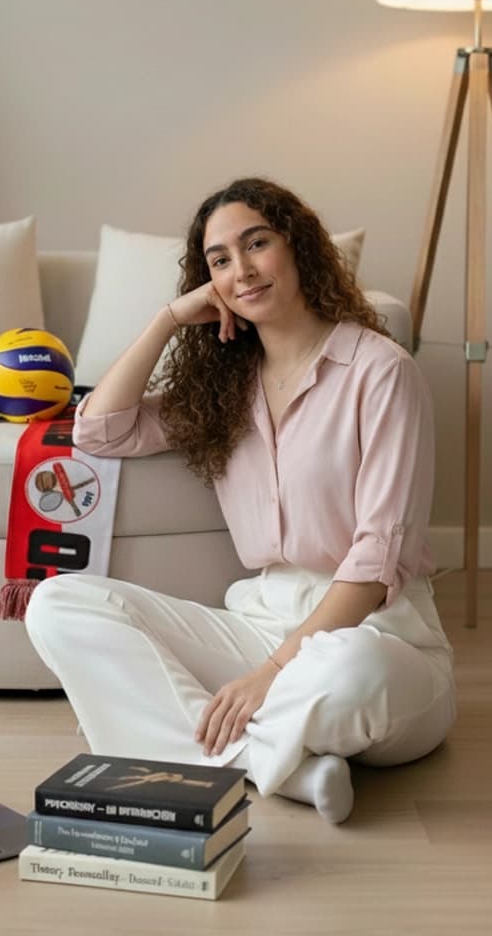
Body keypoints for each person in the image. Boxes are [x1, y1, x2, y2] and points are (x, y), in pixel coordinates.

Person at [24, 177, 456, 825]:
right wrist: (168, 318)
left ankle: (217, 747)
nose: (241, 270)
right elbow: (98, 430)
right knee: (58, 603)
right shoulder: (224, 391)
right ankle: (273, 767)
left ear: (299, 248)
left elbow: (375, 565)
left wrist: (272, 675)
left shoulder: (381, 372)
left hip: (375, 635)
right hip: (260, 622)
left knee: (352, 672)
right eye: (220, 260)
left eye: (257, 244)